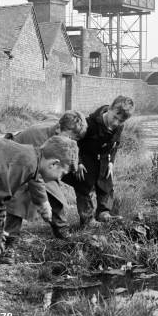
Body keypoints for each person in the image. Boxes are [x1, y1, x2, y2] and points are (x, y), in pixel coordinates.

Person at [0, 129, 78, 312]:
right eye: (62, 173)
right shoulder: (25, 162)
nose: (60, 178)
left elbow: (31, 183)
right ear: (54, 163)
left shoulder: (31, 158)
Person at [0, 111, 87, 265]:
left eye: (74, 139)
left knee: (54, 192)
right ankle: (9, 244)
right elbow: (35, 177)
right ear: (59, 128)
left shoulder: (60, 130)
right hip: (16, 164)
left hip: (39, 167)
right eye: (69, 137)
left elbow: (67, 147)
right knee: (20, 199)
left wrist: (77, 162)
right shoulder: (38, 138)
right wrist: (43, 203)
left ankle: (61, 229)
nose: (70, 140)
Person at [63, 95, 135, 226]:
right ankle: (88, 219)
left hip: (103, 158)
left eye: (120, 121)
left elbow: (115, 144)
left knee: (106, 184)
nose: (115, 123)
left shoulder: (119, 126)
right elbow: (73, 142)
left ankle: (103, 213)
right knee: (84, 186)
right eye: (115, 117)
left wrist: (111, 162)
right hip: (84, 157)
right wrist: (78, 162)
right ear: (110, 109)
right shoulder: (89, 123)